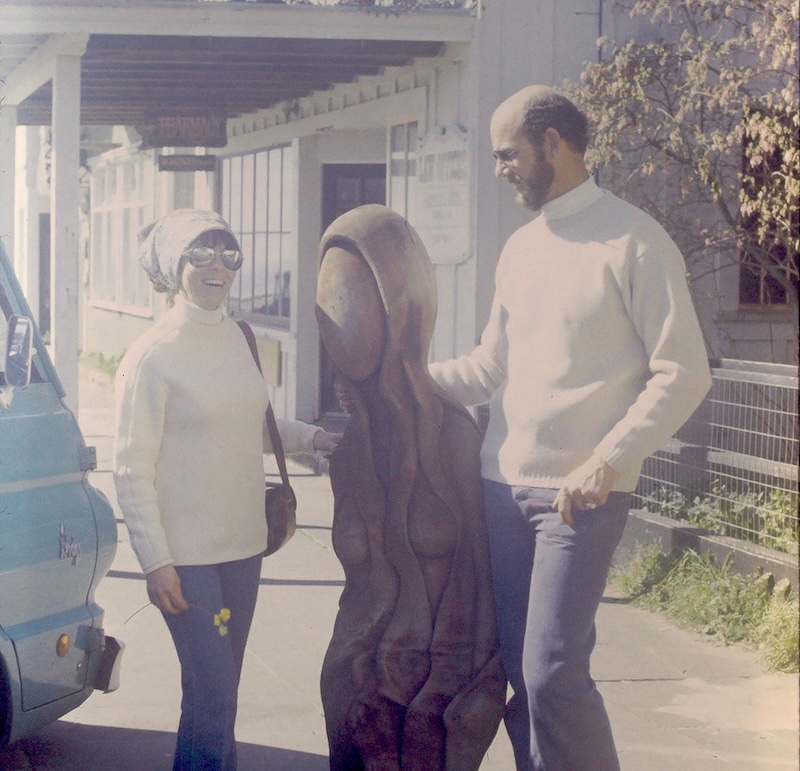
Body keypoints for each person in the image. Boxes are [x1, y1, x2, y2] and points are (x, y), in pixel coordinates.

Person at [425, 86, 713, 770]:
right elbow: (487, 367)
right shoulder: (522, 247)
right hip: (500, 489)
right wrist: (403, 377)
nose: (500, 170)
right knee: (522, 682)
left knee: (553, 671)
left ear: (553, 142)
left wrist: (610, 457)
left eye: (507, 154)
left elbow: (685, 371)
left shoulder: (635, 240)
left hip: (578, 497)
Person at [113, 208, 340, 770]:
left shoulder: (239, 337)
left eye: (228, 253)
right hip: (185, 560)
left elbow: (254, 422)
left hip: (244, 548)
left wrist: (312, 438)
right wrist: (154, 560)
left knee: (217, 696)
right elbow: (131, 466)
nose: (218, 265)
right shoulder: (153, 355)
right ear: (173, 264)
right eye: (200, 252)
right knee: (215, 693)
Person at [316, 205, 505, 770]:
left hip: (431, 696)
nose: (338, 320)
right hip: (354, 693)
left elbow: (482, 593)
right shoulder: (353, 450)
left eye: (354, 297)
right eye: (329, 303)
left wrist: (448, 692)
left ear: (401, 305)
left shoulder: (452, 434)